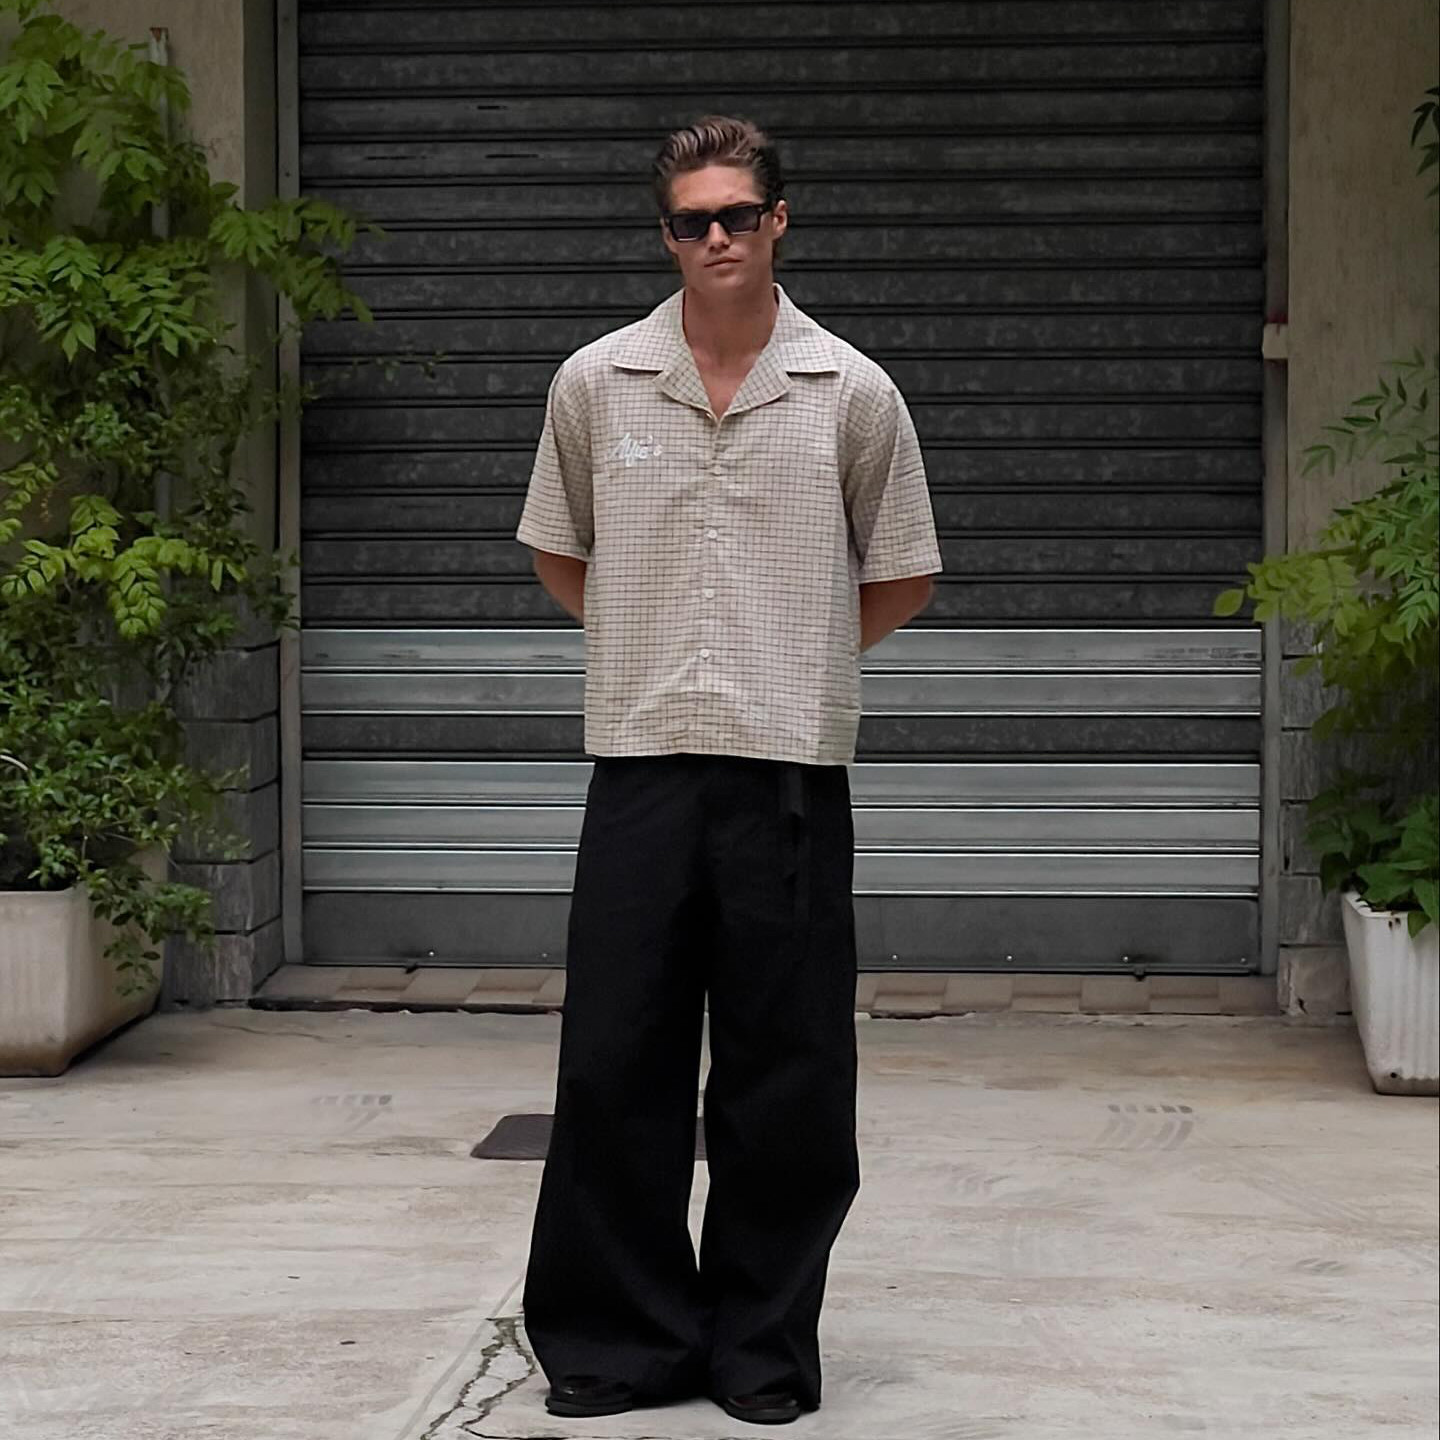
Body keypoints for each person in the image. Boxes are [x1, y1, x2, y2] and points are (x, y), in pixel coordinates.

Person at [514, 115, 942, 1427]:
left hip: (787, 773)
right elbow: (559, 551)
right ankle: (621, 1344)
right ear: (666, 235)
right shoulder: (597, 382)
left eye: (738, 215)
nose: (717, 238)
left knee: (787, 1076)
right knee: (615, 1062)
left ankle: (760, 1348)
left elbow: (902, 573)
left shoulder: (850, 392)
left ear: (778, 222)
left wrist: (789, 653)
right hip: (641, 767)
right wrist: (653, 643)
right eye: (693, 220)